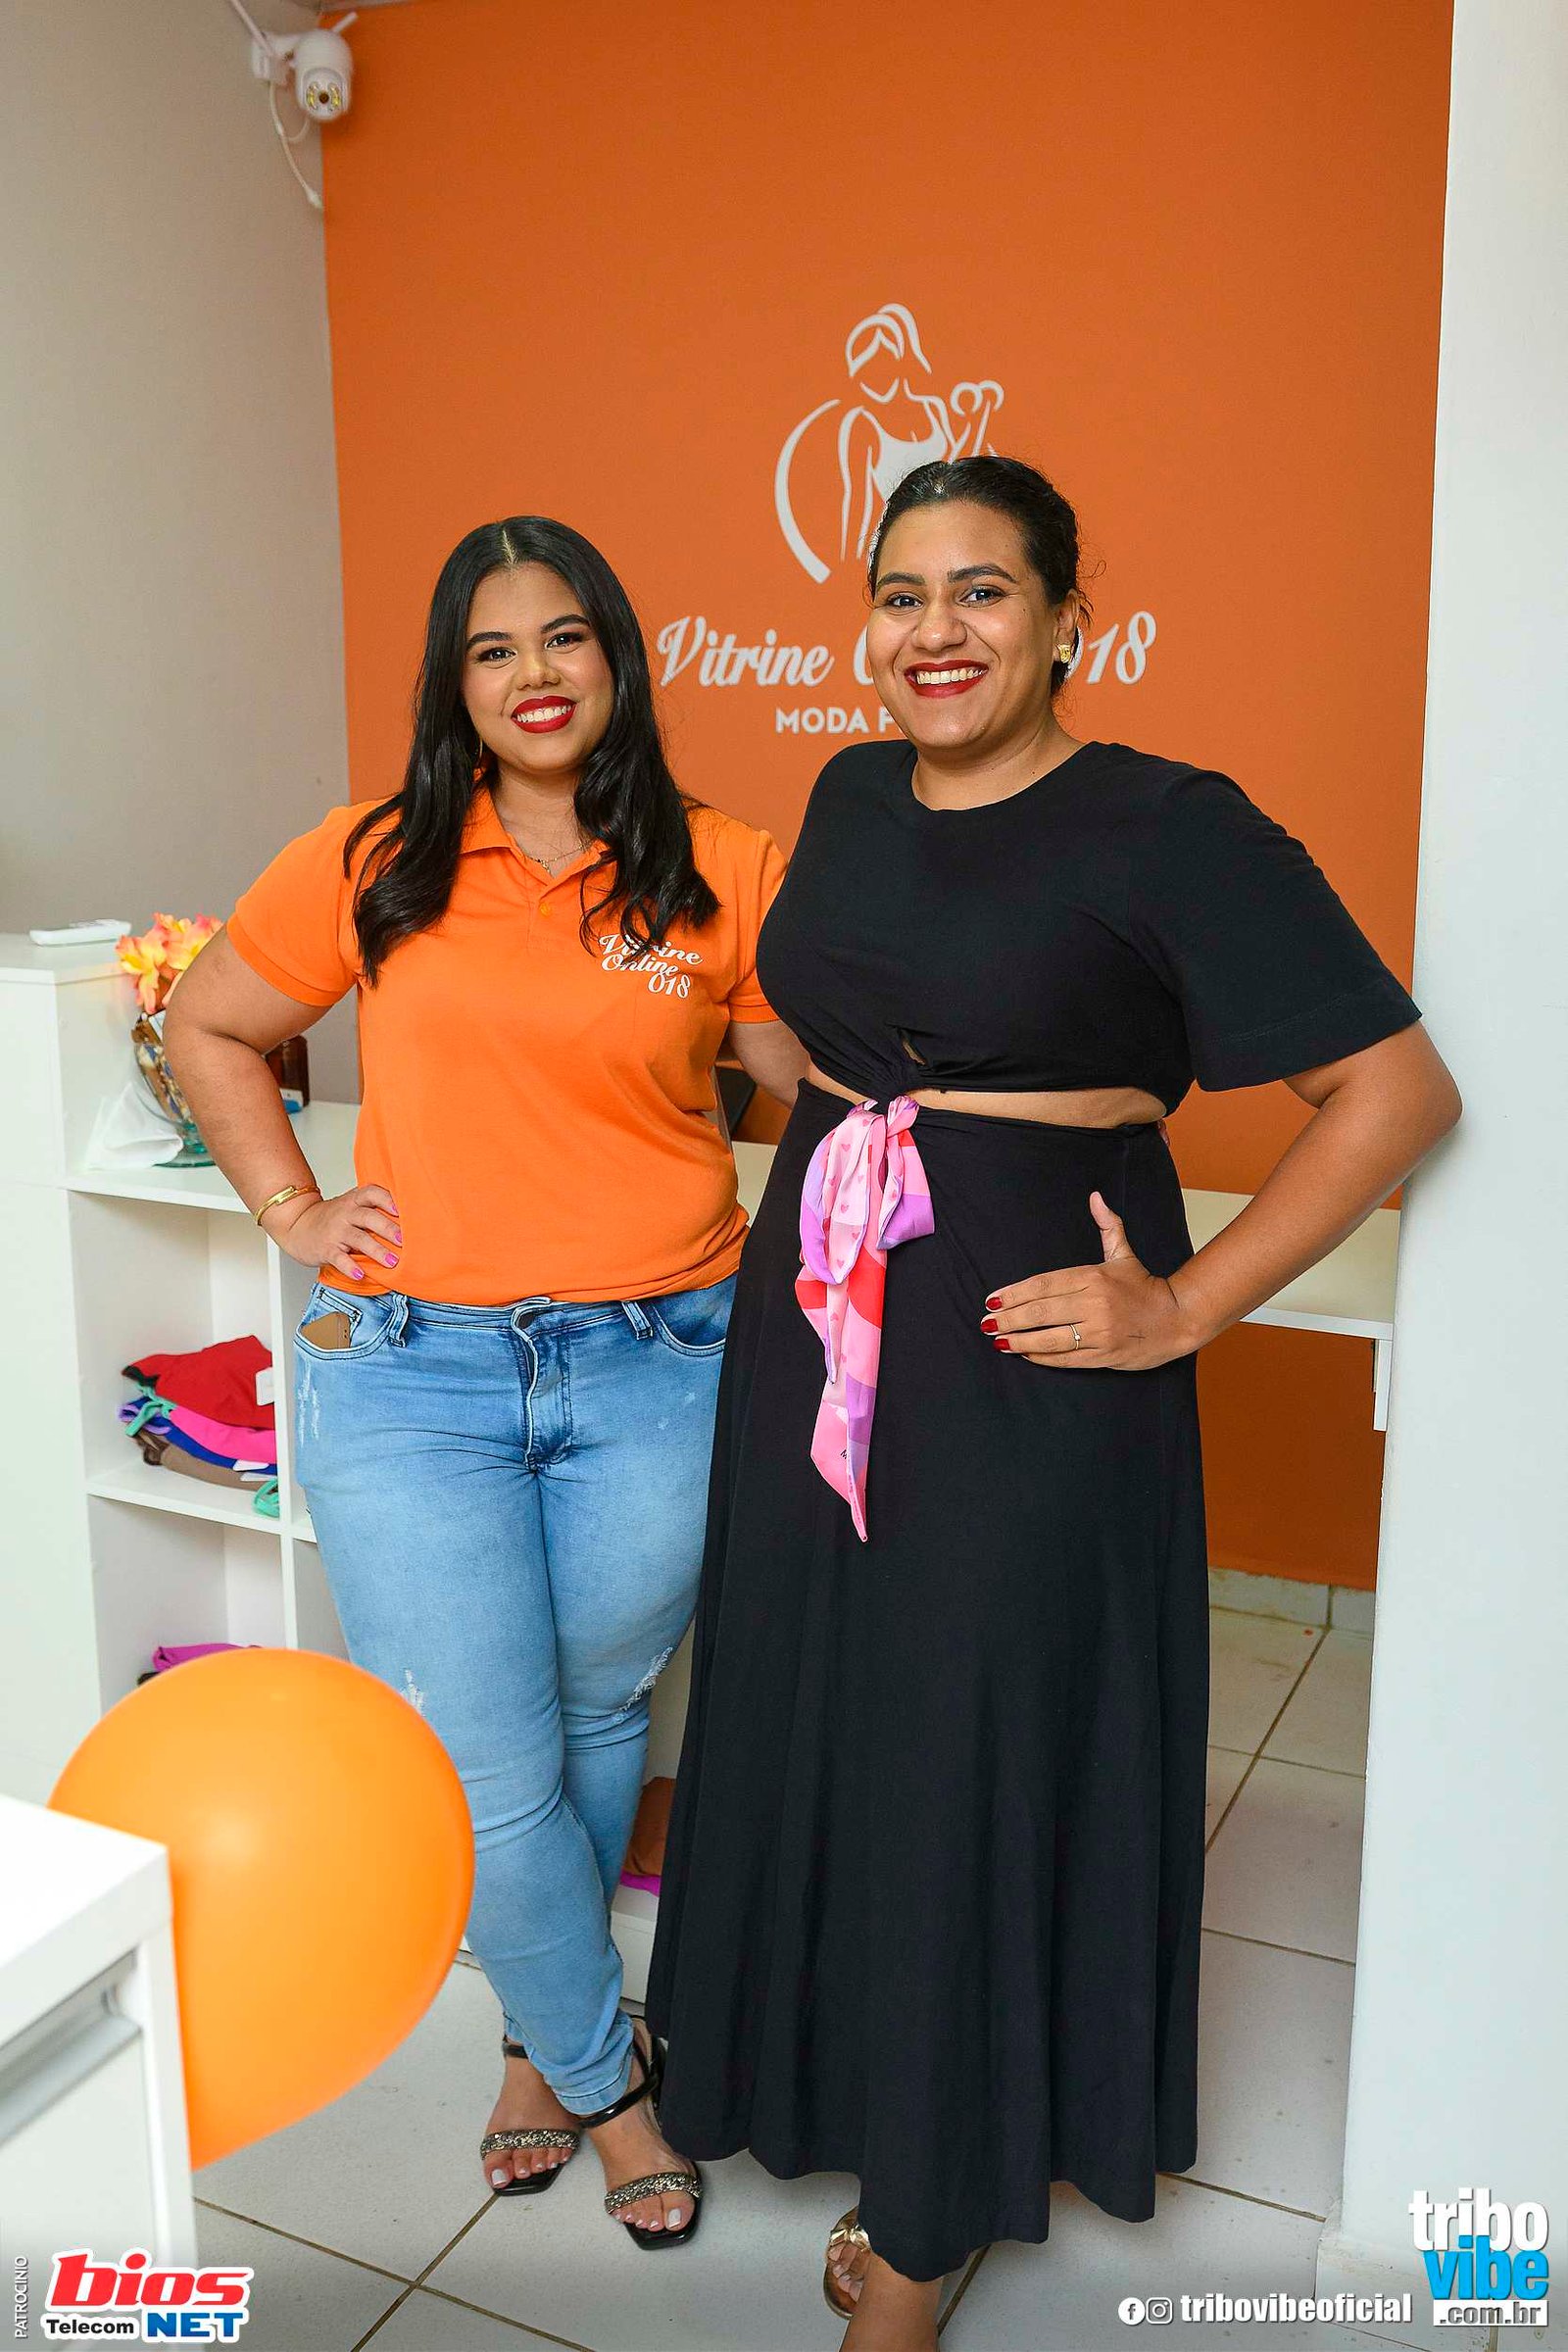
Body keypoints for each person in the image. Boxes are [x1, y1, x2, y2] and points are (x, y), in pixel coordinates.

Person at [644, 456, 1461, 2348]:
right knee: (824, 1709)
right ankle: (840, 2093)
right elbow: (836, 1037)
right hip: (823, 1320)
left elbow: (1398, 1095)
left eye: (983, 591)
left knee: (973, 1743)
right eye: (901, 594)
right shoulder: (850, 794)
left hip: (1027, 1350)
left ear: (1068, 617)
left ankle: (931, 2219)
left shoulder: (1173, 826)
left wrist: (1185, 1307)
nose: (935, 632)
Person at [165, 515, 803, 2250]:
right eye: (492, 648)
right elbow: (208, 1025)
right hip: (414, 1373)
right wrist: (297, 1211)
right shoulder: (374, 857)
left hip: (663, 1360)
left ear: (618, 658)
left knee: (595, 1716)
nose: (535, 675)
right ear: (454, 682)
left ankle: (530, 2041)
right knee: (483, 1759)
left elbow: (822, 1085)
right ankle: (611, 2084)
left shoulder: (722, 866)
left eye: (566, 636)